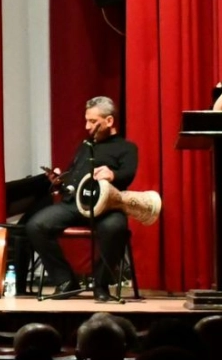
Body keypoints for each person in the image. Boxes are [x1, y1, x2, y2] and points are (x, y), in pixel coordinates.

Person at [25, 96, 138, 298]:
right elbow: (73, 173)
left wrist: (114, 175)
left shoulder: (127, 148)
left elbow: (128, 174)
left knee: (115, 228)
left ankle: (101, 283)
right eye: (86, 120)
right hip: (75, 204)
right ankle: (66, 280)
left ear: (109, 121)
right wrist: (60, 179)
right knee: (36, 225)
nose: (87, 126)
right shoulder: (85, 145)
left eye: (93, 122)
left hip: (106, 207)